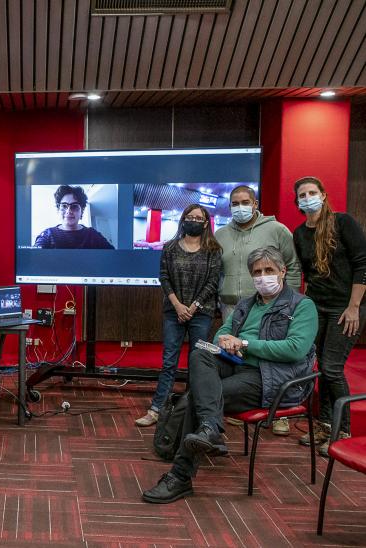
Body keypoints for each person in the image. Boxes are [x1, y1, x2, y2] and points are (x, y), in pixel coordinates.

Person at [141, 247, 318, 504]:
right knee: (200, 351)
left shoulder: (303, 306)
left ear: (283, 271)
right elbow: (221, 334)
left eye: (269, 270)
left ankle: (180, 476)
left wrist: (244, 343)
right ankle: (210, 427)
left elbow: (295, 349)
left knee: (198, 397)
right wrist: (225, 340)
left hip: (271, 377)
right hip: (236, 365)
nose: (262, 276)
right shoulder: (247, 304)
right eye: (257, 272)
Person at [214, 184, 301, 436]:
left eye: (245, 202)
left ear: (255, 204)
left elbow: (292, 264)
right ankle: (245, 402)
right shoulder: (220, 234)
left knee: (274, 358)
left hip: (272, 306)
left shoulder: (276, 229)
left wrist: (289, 299)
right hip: (233, 306)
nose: (239, 207)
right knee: (238, 358)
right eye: (234, 203)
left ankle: (281, 413)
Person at [292, 177, 366, 456]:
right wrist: (305, 308)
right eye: (302, 194)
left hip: (345, 307)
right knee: (322, 366)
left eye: (312, 192)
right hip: (317, 306)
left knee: (333, 368)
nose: (308, 197)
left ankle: (342, 429)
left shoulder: (343, 222)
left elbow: (362, 264)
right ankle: (324, 423)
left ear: (323, 195)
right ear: (297, 201)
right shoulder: (300, 233)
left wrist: (354, 306)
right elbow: (308, 275)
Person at [136, 205, 221, 427]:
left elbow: (213, 282)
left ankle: (192, 412)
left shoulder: (213, 248)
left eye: (198, 217)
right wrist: (178, 306)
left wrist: (193, 307)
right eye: (189, 217)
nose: (193, 220)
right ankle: (156, 410)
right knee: (169, 362)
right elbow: (164, 277)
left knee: (198, 362)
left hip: (202, 313)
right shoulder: (170, 247)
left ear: (205, 223)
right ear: (183, 220)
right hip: (174, 312)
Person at [34, 185, 114, 249]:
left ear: (81, 211)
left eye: (74, 206)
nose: (69, 211)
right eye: (64, 206)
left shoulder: (92, 234)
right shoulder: (48, 234)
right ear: (59, 209)